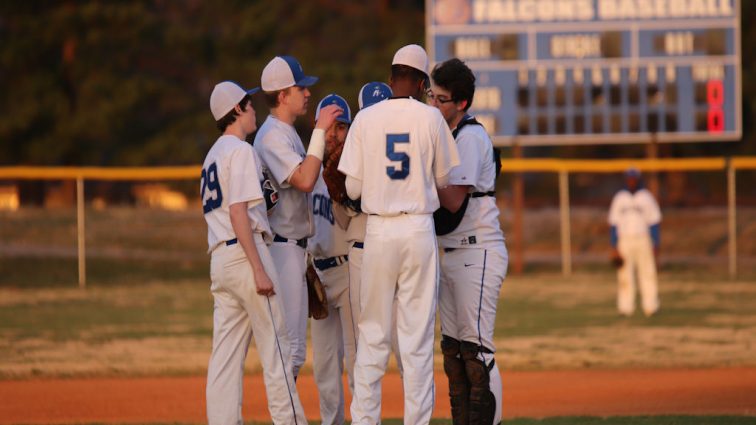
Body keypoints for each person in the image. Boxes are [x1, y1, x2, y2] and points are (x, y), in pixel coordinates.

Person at [338, 44, 460, 425]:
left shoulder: (366, 119)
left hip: (379, 230)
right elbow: (444, 180)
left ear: (390, 79)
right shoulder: (431, 119)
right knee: (416, 341)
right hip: (418, 228)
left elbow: (353, 191)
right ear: (423, 83)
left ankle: (364, 421)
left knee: (371, 335)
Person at [202, 81, 307, 424]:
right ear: (236, 111)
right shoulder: (241, 151)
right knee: (277, 350)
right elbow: (237, 213)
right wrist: (259, 268)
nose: (253, 109)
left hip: (220, 258)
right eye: (247, 105)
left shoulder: (212, 156)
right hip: (246, 254)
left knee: (225, 358)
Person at [429, 58, 508, 425]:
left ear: (461, 103)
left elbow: (453, 201)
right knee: (455, 352)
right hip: (453, 251)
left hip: (478, 250)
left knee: (476, 351)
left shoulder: (471, 137)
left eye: (441, 99)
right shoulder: (446, 135)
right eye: (431, 95)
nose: (433, 104)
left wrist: (416, 180)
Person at [253, 55, 343, 379]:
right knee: (288, 352)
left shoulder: (284, 132)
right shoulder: (273, 136)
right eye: (300, 88)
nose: (307, 94)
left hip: (294, 247)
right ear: (281, 95)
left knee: (292, 351)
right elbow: (305, 180)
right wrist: (321, 131)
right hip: (281, 246)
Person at [307, 93, 357, 425]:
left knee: (357, 362)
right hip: (319, 274)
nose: (334, 134)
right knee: (325, 366)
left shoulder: (357, 169)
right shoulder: (306, 169)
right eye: (329, 126)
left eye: (342, 127)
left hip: (351, 270)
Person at [608, 168, 662, 317]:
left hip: (643, 238)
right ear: (626, 179)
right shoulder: (620, 198)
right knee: (624, 274)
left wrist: (656, 244)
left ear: (638, 179)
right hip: (624, 239)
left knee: (648, 272)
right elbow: (613, 224)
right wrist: (614, 246)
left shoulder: (646, 197)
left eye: (634, 178)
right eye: (629, 178)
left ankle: (651, 306)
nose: (631, 181)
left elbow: (654, 223)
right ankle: (626, 308)